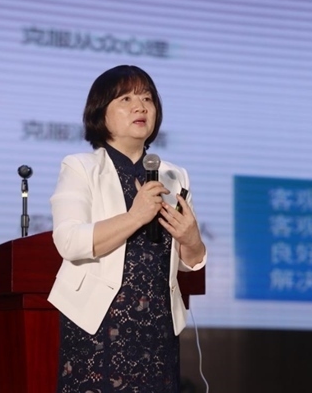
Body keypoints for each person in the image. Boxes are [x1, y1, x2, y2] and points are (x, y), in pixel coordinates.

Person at [47, 64, 207, 392]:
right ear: (100, 112)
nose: (140, 107)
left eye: (147, 99)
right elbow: (69, 241)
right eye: (126, 99)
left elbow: (189, 261)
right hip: (99, 326)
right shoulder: (81, 167)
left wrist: (192, 241)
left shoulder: (175, 176)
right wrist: (135, 217)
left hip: (158, 328)